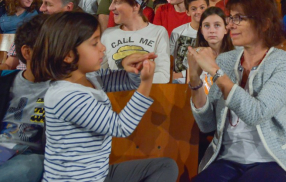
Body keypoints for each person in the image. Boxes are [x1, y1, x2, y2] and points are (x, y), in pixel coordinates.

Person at [30, 11, 178, 182]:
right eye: (94, 43)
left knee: (166, 167)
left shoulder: (91, 78)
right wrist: (146, 83)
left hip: (98, 174)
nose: (103, 47)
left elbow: (128, 81)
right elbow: (121, 126)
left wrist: (132, 68)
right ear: (68, 55)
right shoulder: (64, 95)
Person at [187, 0, 286, 182]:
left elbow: (256, 114)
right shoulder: (227, 60)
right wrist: (194, 80)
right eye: (230, 18)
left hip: (272, 159)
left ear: (264, 23)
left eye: (239, 18)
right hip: (226, 159)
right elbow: (207, 125)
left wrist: (216, 72)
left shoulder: (285, 61)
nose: (230, 26)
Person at [0, 15, 49, 182]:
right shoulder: (6, 82)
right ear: (27, 52)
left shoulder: (61, 87)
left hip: (28, 155)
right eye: (52, 48)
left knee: (32, 164)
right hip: (2, 148)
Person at [102, 0, 170, 83]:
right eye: (112, 2)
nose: (110, 7)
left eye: (117, 2)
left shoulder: (158, 33)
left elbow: (163, 76)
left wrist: (125, 80)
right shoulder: (107, 35)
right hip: (116, 98)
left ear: (135, 5)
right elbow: (99, 76)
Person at [170, 0, 209, 84]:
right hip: (178, 81)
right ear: (187, 12)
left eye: (202, 7)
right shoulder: (177, 32)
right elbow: (170, 57)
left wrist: (182, 74)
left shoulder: (213, 34)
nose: (198, 11)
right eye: (194, 9)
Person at [195, 6, 234, 94]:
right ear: (201, 30)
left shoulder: (236, 56)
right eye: (206, 26)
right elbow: (191, 89)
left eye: (217, 25)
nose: (212, 30)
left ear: (226, 29)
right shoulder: (195, 55)